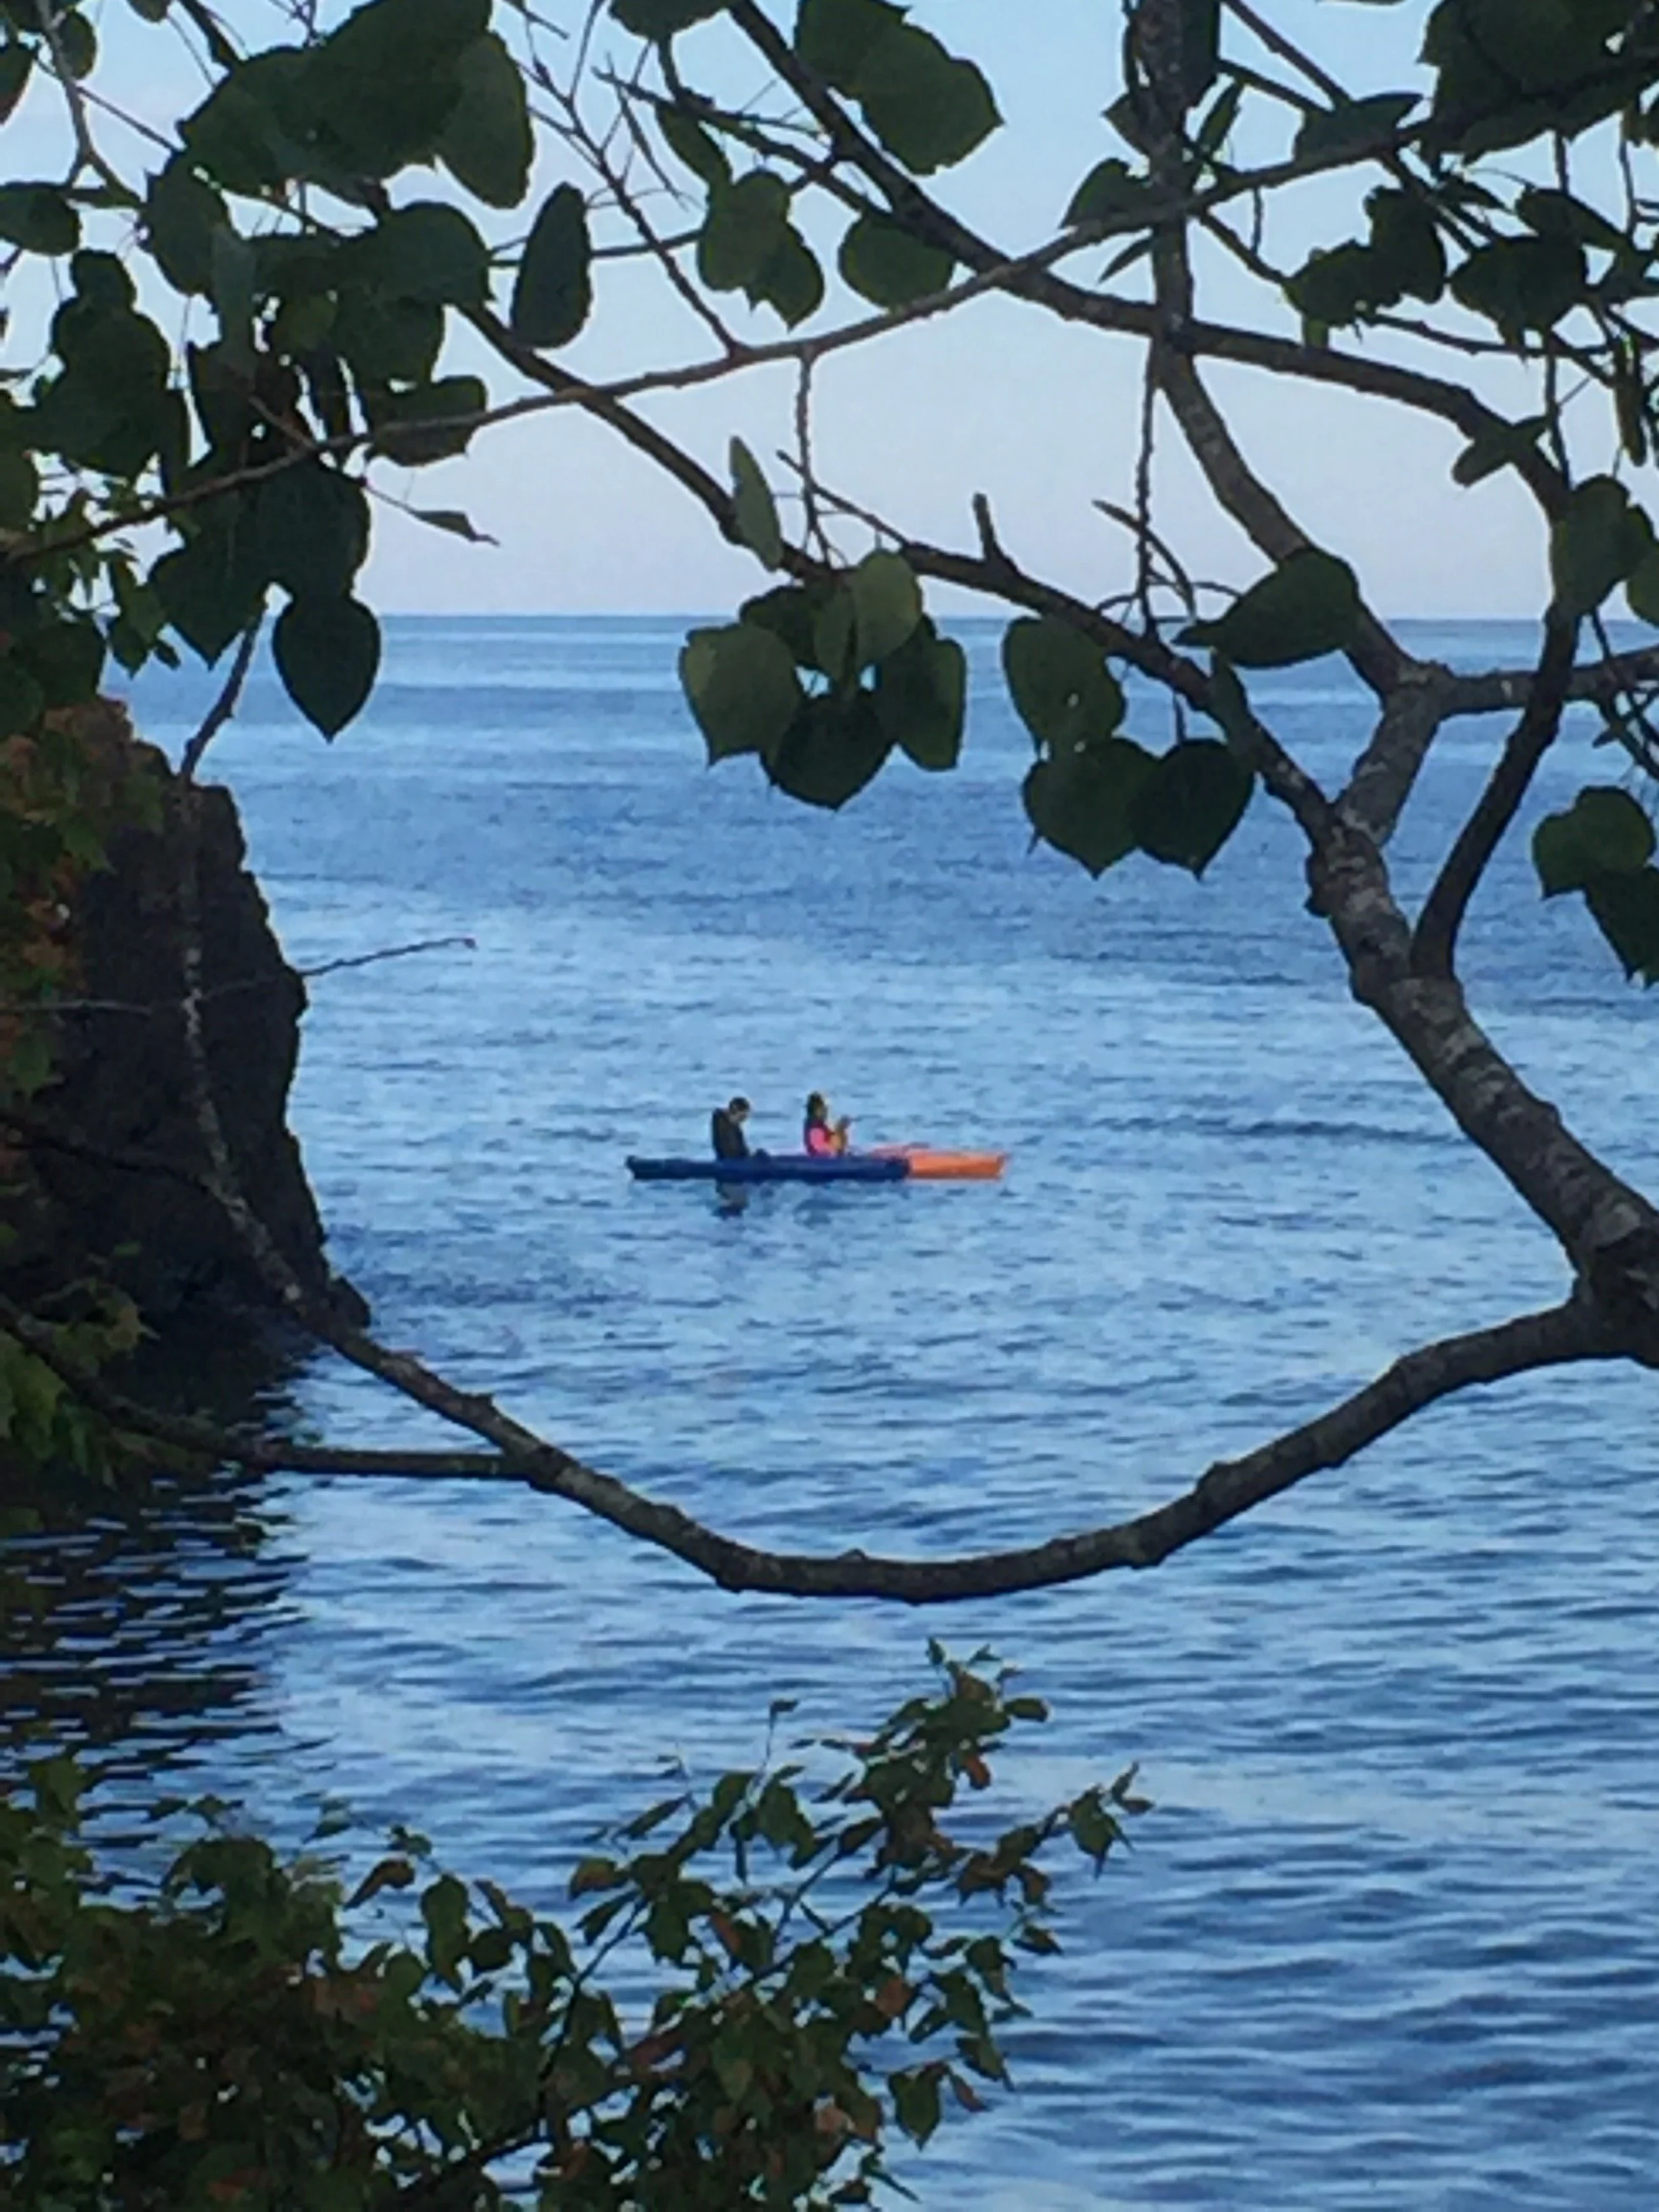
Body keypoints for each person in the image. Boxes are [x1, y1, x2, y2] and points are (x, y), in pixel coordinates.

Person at [802, 1091, 851, 1156]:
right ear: (816, 1110)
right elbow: (819, 1148)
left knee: (839, 1129)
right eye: (824, 1109)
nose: (826, 1112)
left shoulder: (818, 1125)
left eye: (826, 1109)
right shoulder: (815, 1127)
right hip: (822, 1158)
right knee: (839, 1128)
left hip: (825, 1154)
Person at [710, 1096, 752, 1160]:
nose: (742, 1121)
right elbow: (726, 1149)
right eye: (741, 1117)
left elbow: (743, 1150)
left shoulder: (736, 1127)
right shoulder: (721, 1122)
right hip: (728, 1162)